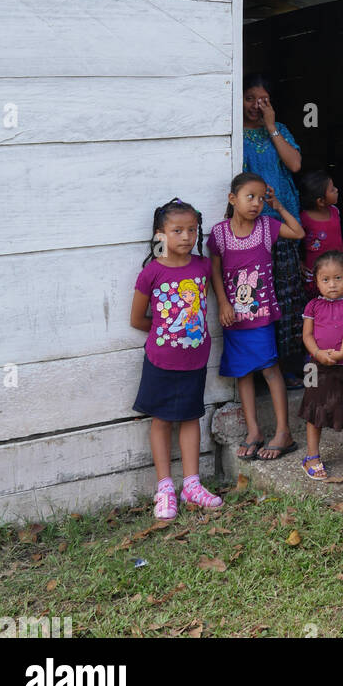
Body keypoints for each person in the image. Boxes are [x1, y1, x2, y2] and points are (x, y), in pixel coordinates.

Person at [131, 198, 222, 517]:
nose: (187, 237)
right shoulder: (151, 272)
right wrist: (166, 337)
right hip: (160, 361)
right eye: (177, 230)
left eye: (192, 230)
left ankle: (192, 485)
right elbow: (137, 320)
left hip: (195, 361)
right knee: (161, 420)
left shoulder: (202, 267)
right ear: (160, 235)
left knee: (190, 416)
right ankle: (165, 488)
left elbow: (205, 304)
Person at [208, 173, 303, 462]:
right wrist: (223, 303)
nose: (257, 203)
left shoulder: (266, 227)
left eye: (262, 198)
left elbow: (298, 233)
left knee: (270, 370)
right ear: (232, 199)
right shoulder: (219, 233)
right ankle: (253, 431)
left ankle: (284, 432)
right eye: (250, 197)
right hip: (233, 317)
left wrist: (279, 205)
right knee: (243, 372)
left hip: (261, 316)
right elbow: (214, 271)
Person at [241, 74, 305, 384]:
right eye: (250, 98)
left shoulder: (279, 131)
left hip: (283, 226)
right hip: (251, 229)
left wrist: (271, 126)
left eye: (263, 100)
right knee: (257, 297)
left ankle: (289, 367)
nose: (256, 105)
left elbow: (294, 165)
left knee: (287, 298)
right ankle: (260, 370)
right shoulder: (232, 135)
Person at [299, 252, 343, 481]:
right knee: (312, 410)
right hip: (313, 367)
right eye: (325, 279)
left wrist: (342, 352)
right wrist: (317, 353)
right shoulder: (312, 306)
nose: (332, 284)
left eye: (338, 278)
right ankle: (311, 456)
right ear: (316, 281)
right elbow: (306, 335)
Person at [298, 170, 343, 297]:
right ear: (321, 201)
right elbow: (297, 242)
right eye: (332, 189)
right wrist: (300, 262)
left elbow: (338, 238)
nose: (336, 190)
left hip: (337, 265)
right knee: (316, 302)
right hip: (314, 271)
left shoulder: (335, 212)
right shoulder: (304, 218)